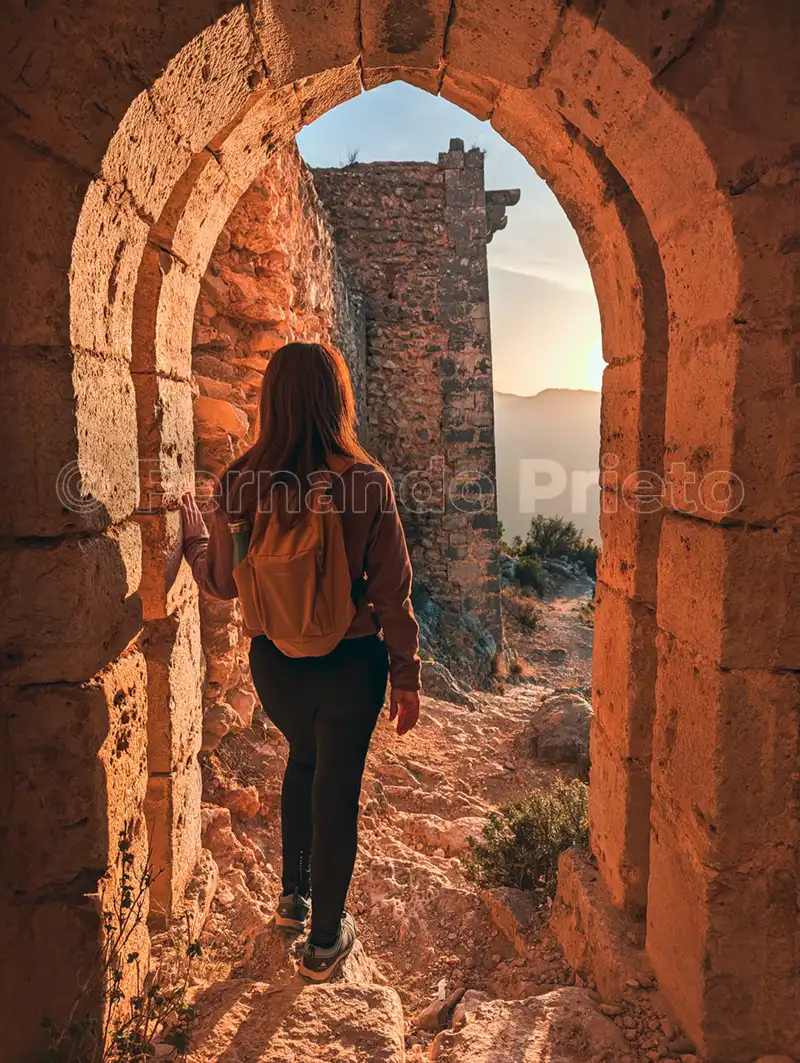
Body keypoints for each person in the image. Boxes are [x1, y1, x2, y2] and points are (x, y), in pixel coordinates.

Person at [181, 341, 421, 981]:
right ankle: (323, 942)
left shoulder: (240, 482)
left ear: (271, 402)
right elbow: (392, 592)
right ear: (337, 399)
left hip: (276, 666)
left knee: (302, 760)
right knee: (336, 788)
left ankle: (293, 901)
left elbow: (225, 585)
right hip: (351, 664)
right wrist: (406, 675)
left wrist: (197, 538)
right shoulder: (366, 482)